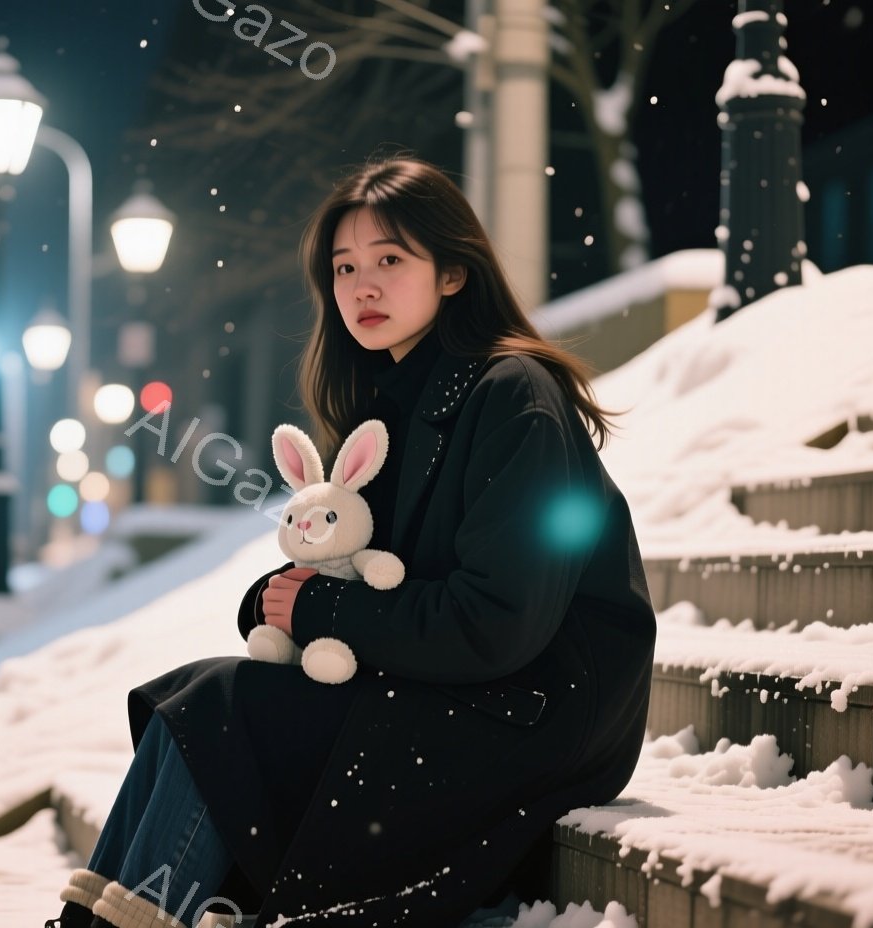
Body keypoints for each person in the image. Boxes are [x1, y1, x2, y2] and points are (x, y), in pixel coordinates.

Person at [47, 155, 656, 928]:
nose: (362, 287)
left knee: (220, 710)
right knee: (194, 704)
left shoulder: (512, 396)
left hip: (538, 709)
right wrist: (285, 601)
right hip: (459, 684)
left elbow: (496, 619)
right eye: (345, 267)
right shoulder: (396, 407)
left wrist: (320, 609)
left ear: (453, 275)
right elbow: (356, 572)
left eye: (390, 260)